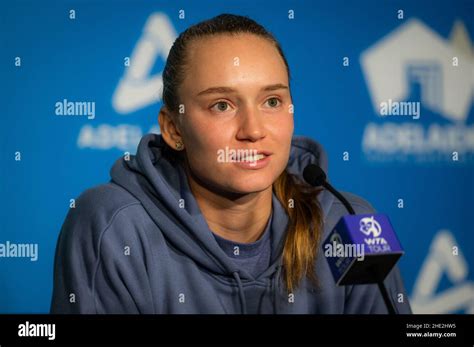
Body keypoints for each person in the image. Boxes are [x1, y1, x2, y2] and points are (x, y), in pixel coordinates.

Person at [50, 13, 412, 314]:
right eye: (222, 105)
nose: (253, 131)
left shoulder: (355, 224)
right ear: (173, 129)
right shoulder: (111, 224)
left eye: (271, 101)